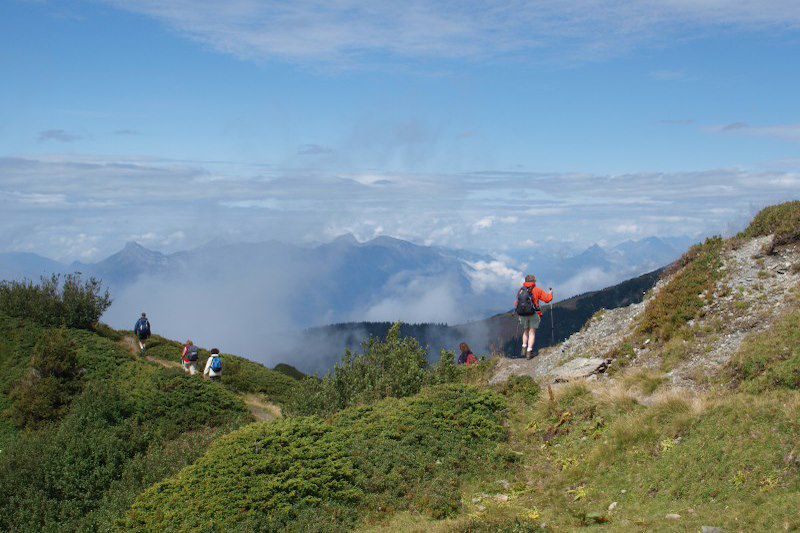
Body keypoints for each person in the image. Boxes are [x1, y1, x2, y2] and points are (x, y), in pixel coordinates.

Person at [514, 274, 553, 359]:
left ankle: (523, 347)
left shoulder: (521, 291)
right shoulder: (537, 290)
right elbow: (547, 299)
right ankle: (529, 351)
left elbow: (516, 303)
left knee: (525, 331)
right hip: (534, 314)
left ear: (525, 281)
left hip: (523, 314)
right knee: (532, 332)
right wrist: (550, 293)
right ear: (534, 281)